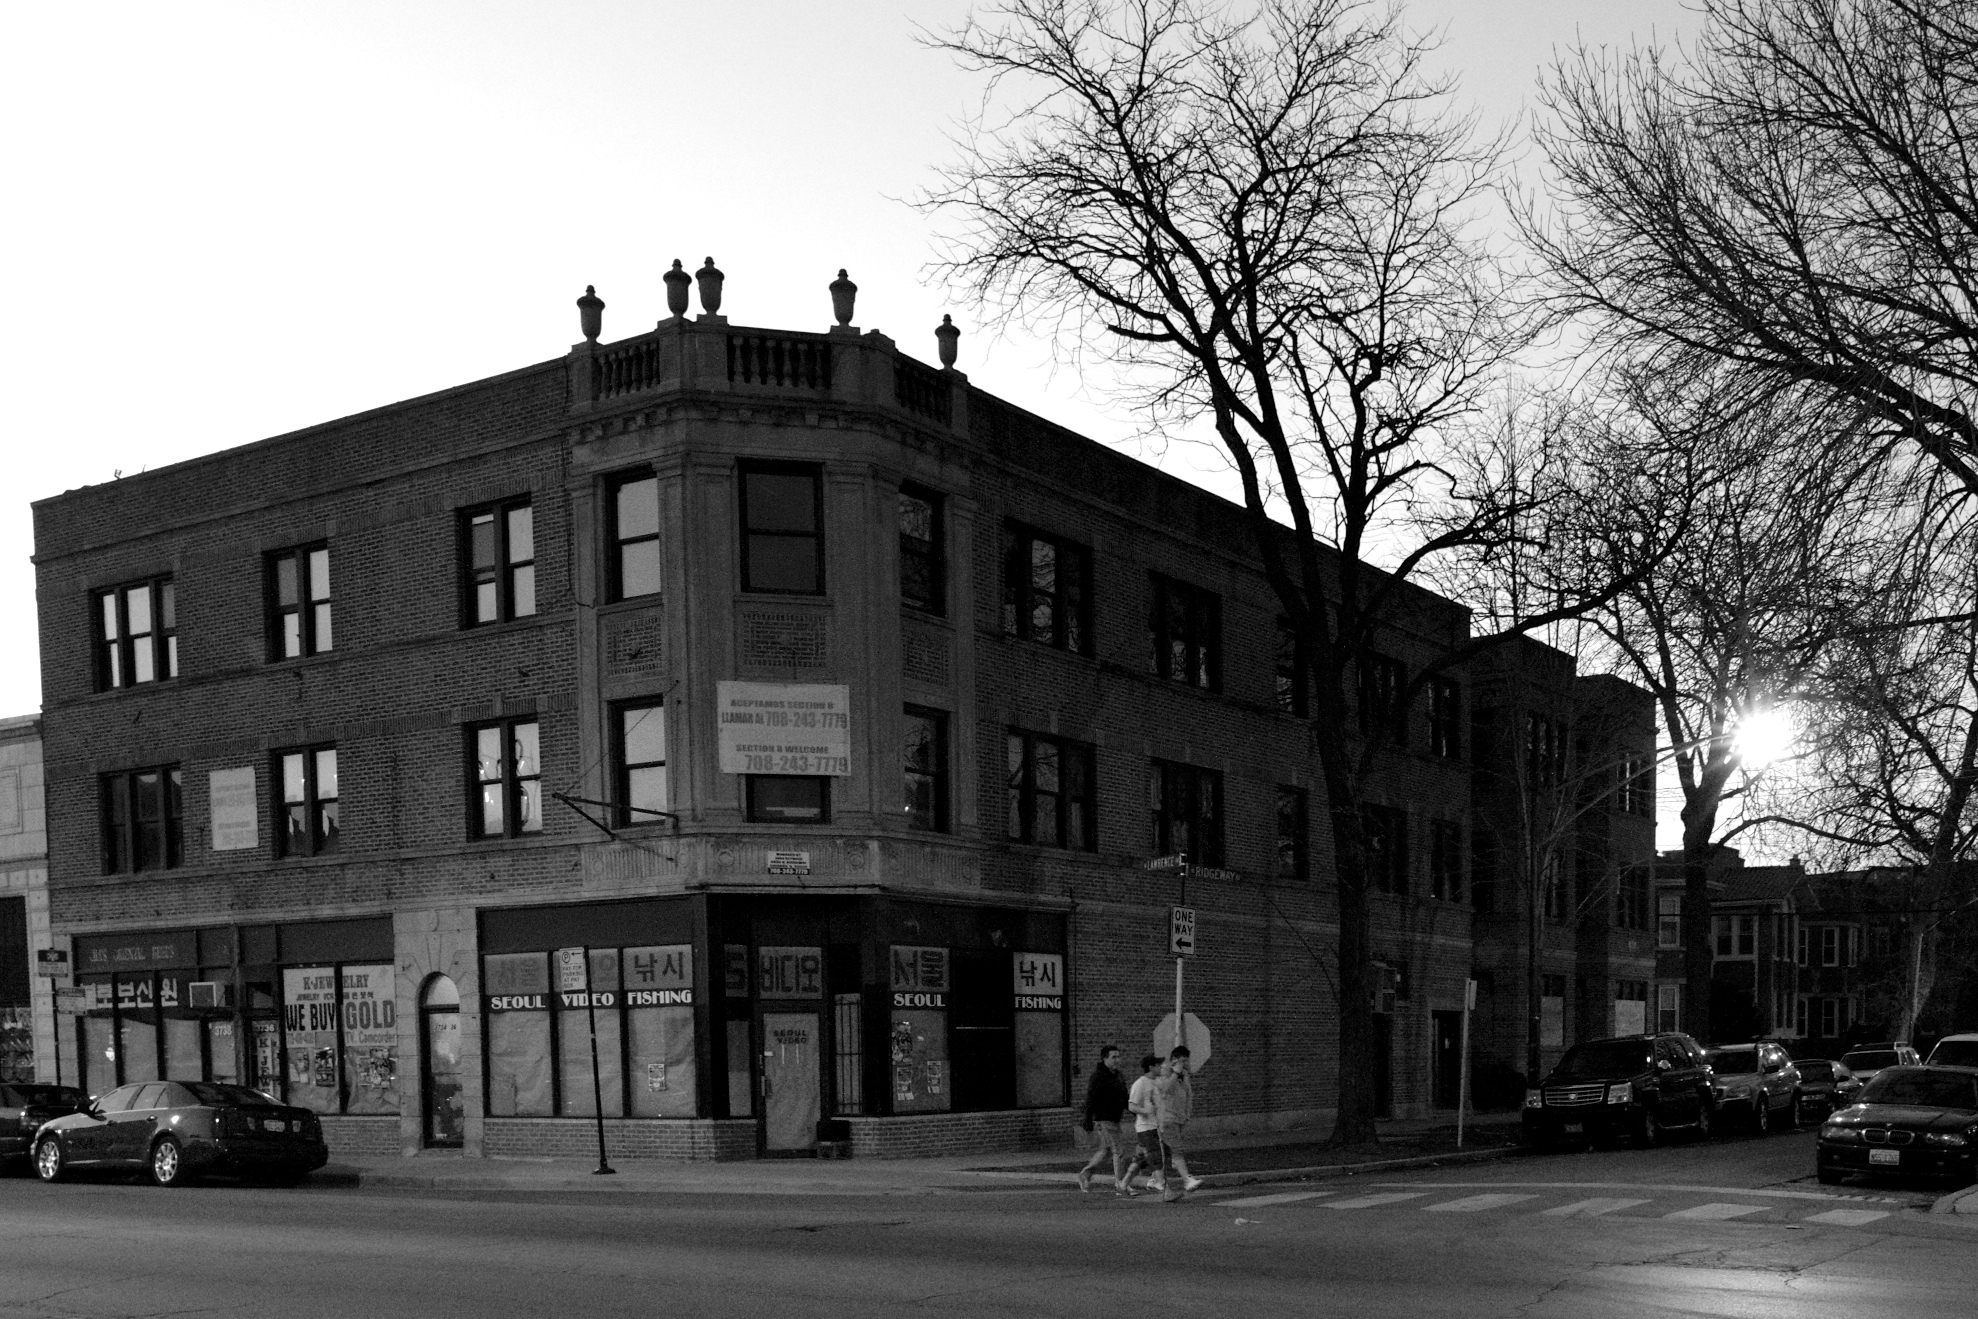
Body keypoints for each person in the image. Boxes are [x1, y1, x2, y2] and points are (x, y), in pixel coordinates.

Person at [1076, 1045, 1130, 1193]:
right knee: (1119, 1151)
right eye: (1113, 1057)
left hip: (1114, 1118)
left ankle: (1085, 1174)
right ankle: (1121, 1183)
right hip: (1104, 1118)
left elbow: (1125, 1097)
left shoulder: (1118, 1076)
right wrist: (1087, 1119)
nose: (1117, 1060)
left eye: (1118, 1056)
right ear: (1105, 1059)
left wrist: (1135, 1111)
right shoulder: (1098, 1076)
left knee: (1106, 1151)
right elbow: (1090, 1099)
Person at [1154, 1046, 1203, 1201]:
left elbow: (1188, 1093)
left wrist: (1187, 1113)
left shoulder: (1184, 1074)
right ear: (1174, 1060)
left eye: (1186, 1061)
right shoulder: (1165, 1072)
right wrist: (1175, 1073)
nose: (1185, 1064)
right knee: (1176, 1149)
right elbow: (1165, 1089)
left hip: (1179, 1118)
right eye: (1182, 1061)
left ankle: (1156, 1179)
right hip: (1167, 1118)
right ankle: (1187, 1180)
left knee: (1165, 1152)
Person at [1117, 1054, 1165, 1196]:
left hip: (1154, 1126)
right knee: (1155, 1156)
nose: (1161, 1068)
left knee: (1141, 1159)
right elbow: (1131, 1106)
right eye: (1158, 1065)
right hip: (1146, 1127)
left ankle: (1124, 1184)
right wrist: (1145, 1111)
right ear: (1151, 1067)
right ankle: (1163, 1186)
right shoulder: (1140, 1083)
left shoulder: (1155, 1082)